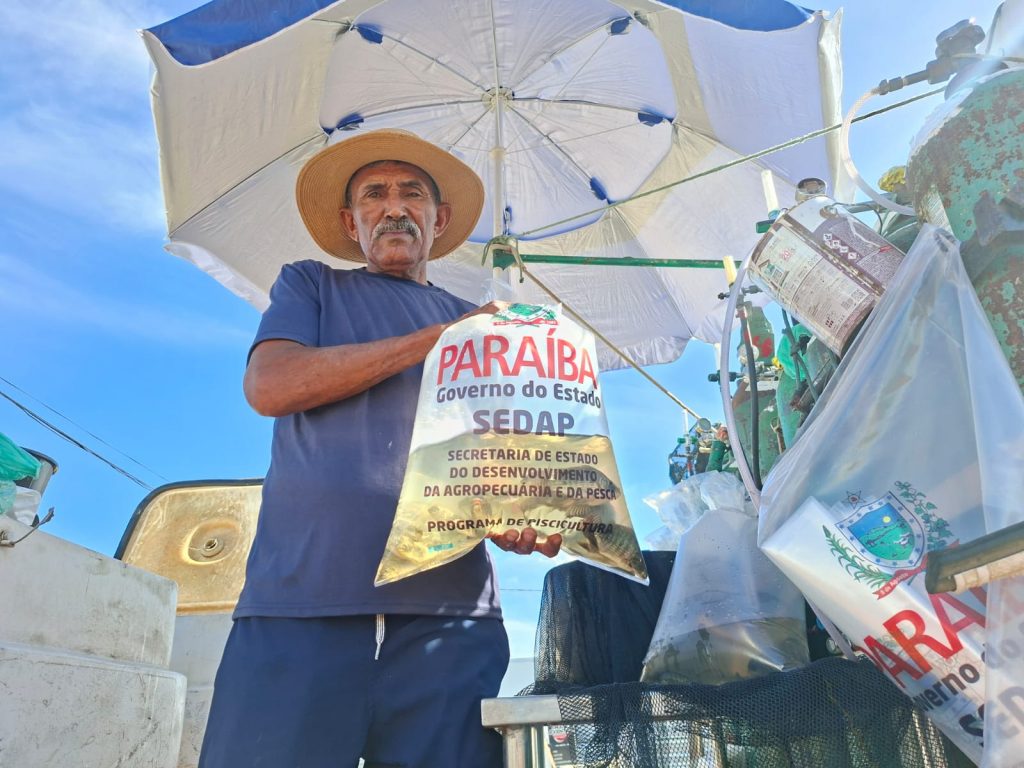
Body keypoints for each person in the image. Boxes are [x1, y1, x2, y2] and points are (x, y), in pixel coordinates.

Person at [198, 129, 561, 768]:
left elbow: (498, 463)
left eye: (412, 194)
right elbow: (272, 384)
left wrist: (521, 517)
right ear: (351, 221)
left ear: (437, 218)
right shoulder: (311, 285)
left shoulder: (484, 327)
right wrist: (437, 338)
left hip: (452, 616)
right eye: (374, 195)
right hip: (300, 600)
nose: (394, 207)